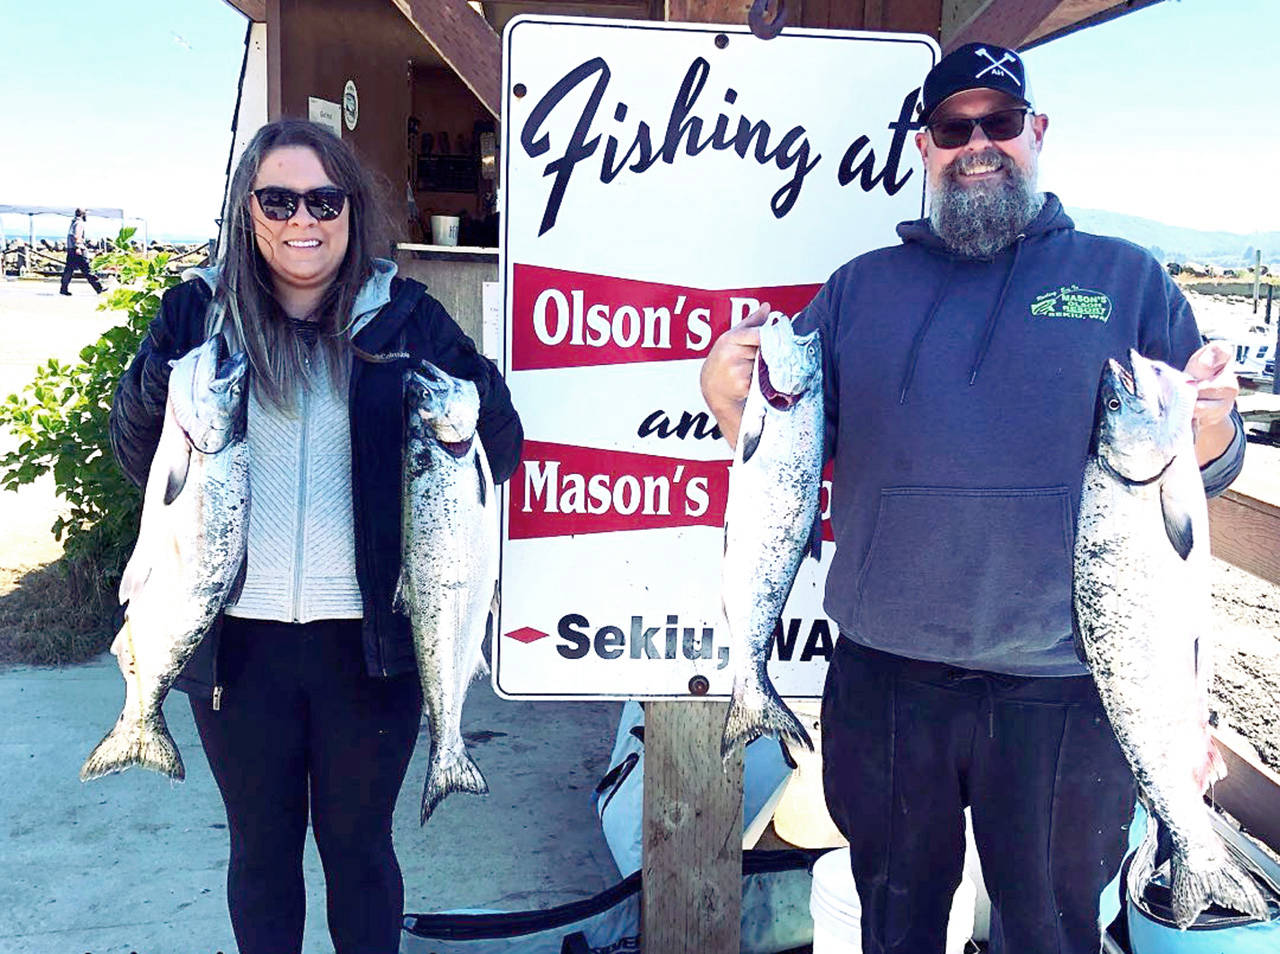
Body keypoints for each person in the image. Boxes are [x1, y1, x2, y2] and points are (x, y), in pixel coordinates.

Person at [700, 43, 1245, 954]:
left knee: (1055, 931)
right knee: (895, 921)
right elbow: (788, 460)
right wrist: (728, 397)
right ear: (925, 145)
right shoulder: (857, 290)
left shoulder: (1127, 278)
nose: (978, 144)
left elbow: (1205, 467)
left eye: (999, 123)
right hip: (885, 679)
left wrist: (1213, 425)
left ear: (1038, 132)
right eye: (955, 127)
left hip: (1070, 687)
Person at [109, 119, 523, 954]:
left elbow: (500, 445)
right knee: (261, 858)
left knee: (360, 854)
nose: (304, 219)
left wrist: (464, 393)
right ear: (247, 211)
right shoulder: (197, 311)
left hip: (367, 652)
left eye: (324, 199)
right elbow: (133, 452)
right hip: (237, 646)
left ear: (350, 209)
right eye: (279, 198)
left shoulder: (406, 317)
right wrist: (160, 367)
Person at [59, 207, 103, 295]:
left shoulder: (73, 222)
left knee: (69, 270)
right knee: (87, 269)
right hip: (77, 249)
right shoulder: (79, 223)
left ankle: (63, 289)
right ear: (83, 214)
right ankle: (99, 288)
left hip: (71, 249)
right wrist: (78, 247)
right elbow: (77, 236)